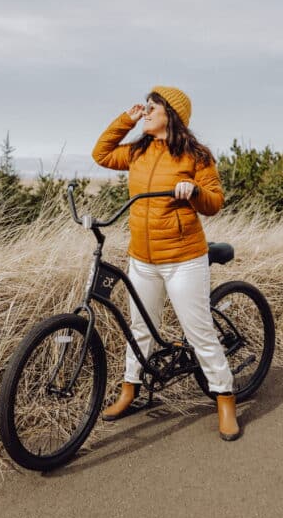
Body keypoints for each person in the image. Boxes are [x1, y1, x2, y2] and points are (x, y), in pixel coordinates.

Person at [91, 85, 240, 440]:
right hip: (142, 258)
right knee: (139, 327)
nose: (146, 111)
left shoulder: (195, 155)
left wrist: (195, 191)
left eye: (152, 107)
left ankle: (225, 397)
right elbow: (101, 154)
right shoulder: (138, 151)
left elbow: (215, 201)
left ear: (170, 114)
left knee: (199, 332)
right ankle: (131, 389)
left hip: (183, 258)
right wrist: (125, 120)